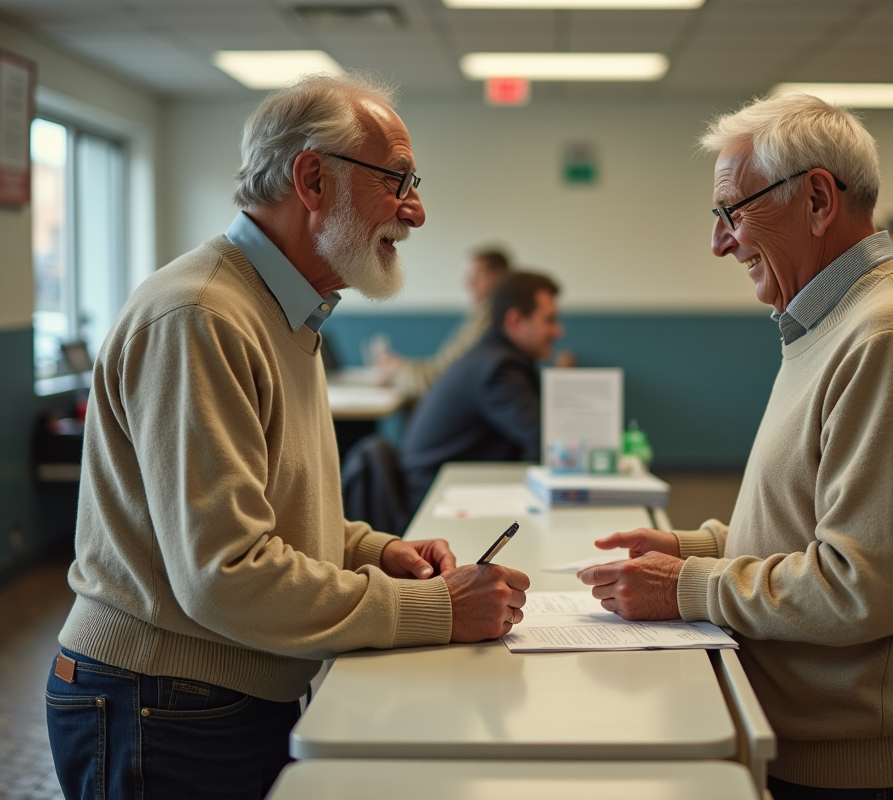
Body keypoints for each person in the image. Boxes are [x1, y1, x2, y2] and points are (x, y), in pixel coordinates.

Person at [45, 73, 529, 800]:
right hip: (162, 702)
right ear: (311, 179)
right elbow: (227, 572)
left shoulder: (284, 312)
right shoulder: (202, 316)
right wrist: (437, 610)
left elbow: (267, 512)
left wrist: (375, 549)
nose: (417, 211)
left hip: (214, 690)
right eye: (398, 180)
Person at [578, 93, 893, 799]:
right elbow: (815, 518)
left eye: (732, 211)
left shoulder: (886, 335)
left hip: (870, 772)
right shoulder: (827, 323)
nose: (720, 242)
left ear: (819, 200)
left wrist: (687, 588)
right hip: (818, 745)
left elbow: (865, 588)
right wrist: (700, 546)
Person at [399, 271, 564, 511]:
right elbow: (548, 444)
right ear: (516, 321)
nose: (558, 331)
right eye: (549, 320)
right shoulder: (498, 369)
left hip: (443, 486)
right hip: (432, 498)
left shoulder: (491, 355)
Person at [378, 247, 512, 399]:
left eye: (477, 275)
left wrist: (397, 369)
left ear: (499, 276)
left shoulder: (487, 320)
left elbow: (437, 379)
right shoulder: (485, 315)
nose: (469, 282)